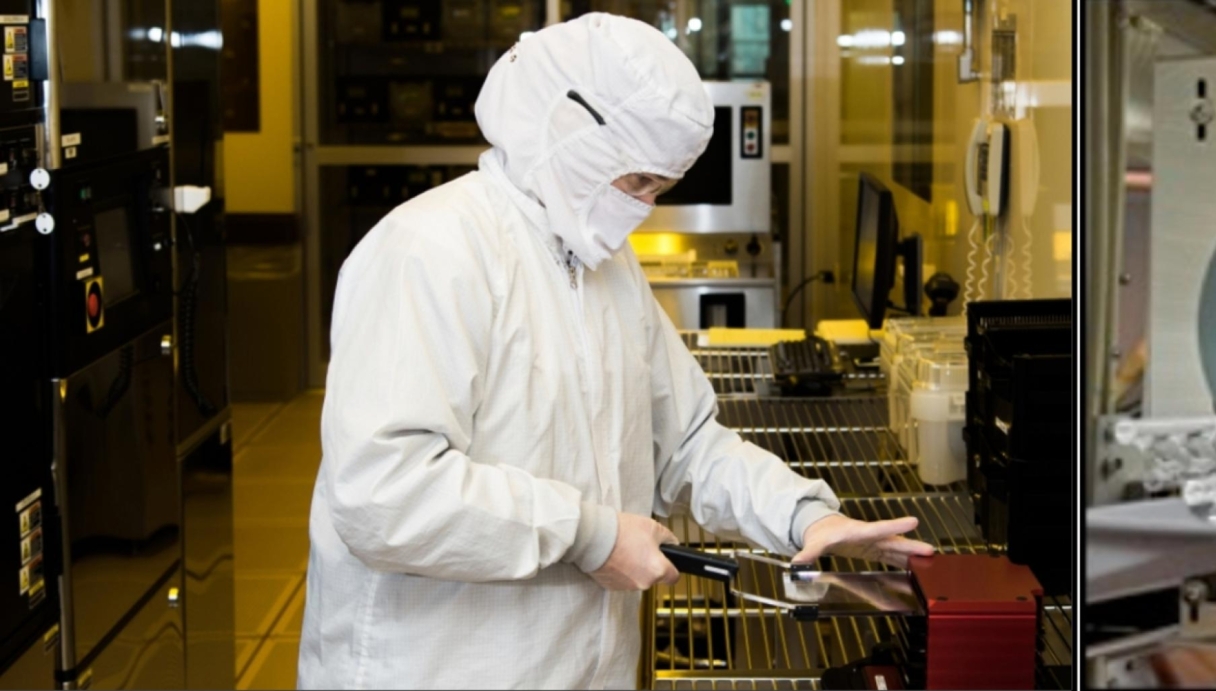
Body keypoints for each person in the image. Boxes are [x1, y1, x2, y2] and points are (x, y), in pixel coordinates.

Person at [297, 12, 935, 690]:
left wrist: (804, 515)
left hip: (582, 664)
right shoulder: (431, 251)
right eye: (635, 183)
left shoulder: (602, 264)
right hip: (434, 666)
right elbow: (383, 492)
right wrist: (590, 534)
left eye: (659, 188)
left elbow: (687, 442)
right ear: (569, 137)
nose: (644, 208)